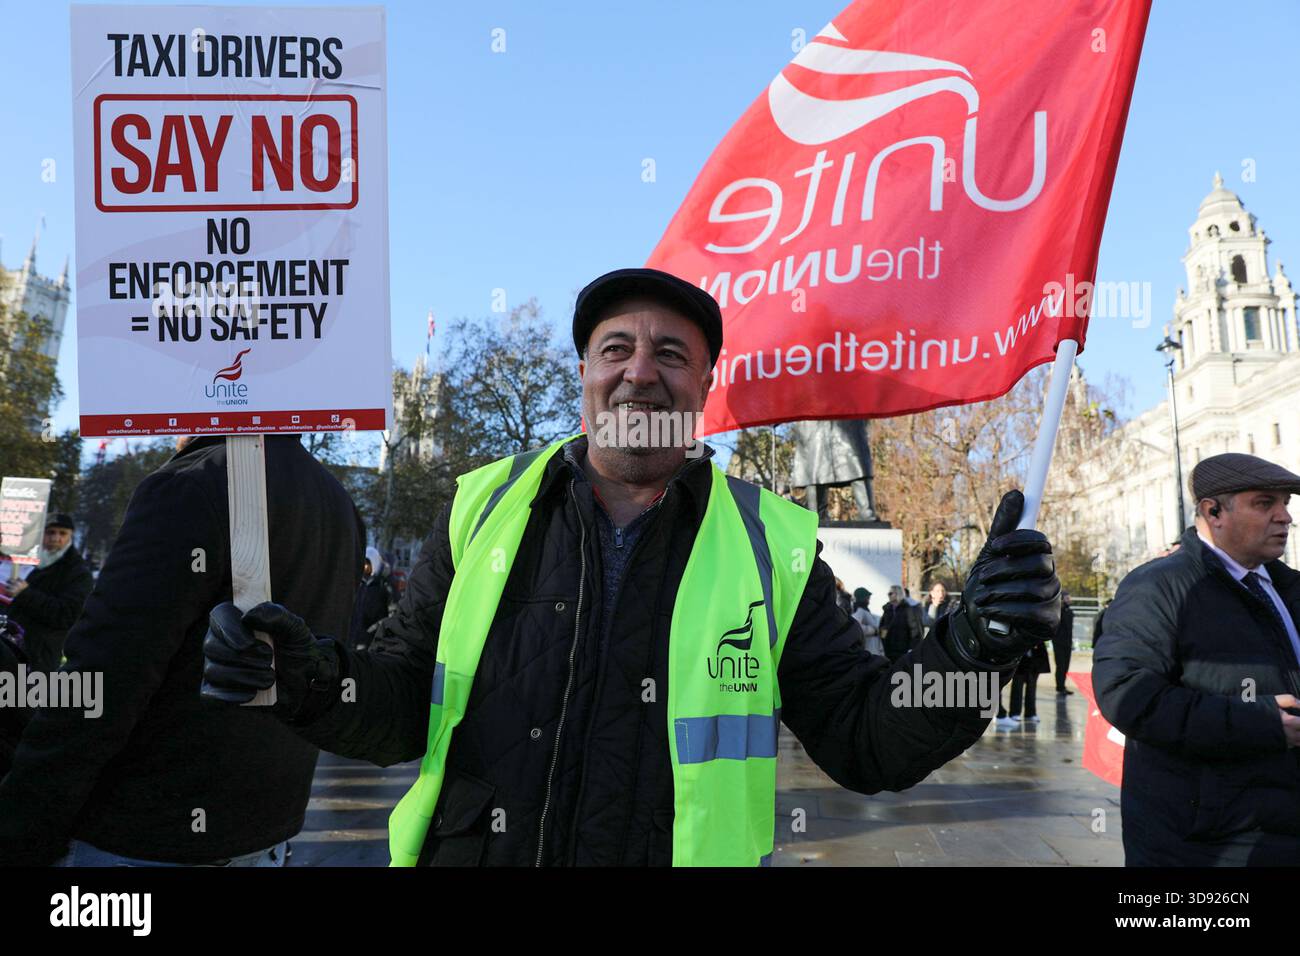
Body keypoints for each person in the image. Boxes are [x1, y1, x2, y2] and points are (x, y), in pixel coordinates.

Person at [202, 267, 1061, 867]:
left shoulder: (775, 546)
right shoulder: (481, 509)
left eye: (671, 355)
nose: (638, 374)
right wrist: (307, 679)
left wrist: (971, 652)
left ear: (704, 387)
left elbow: (868, 742)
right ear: (584, 372)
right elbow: (395, 705)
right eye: (616, 350)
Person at [0, 436, 363, 866]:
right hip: (264, 829)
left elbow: (107, 676)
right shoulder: (338, 502)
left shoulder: (190, 485)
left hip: (147, 831)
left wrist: (22, 827)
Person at [1094, 452, 1300, 865]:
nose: (1285, 517)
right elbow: (1127, 694)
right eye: (1265, 503)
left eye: (1286, 504)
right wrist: (1258, 721)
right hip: (1203, 842)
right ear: (1213, 511)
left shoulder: (1287, 586)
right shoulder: (1160, 586)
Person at [2, 514, 92, 674]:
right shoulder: (34, 563)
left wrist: (25, 593)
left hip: (40, 657)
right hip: (14, 649)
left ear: (70, 536)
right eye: (50, 532)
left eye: (62, 533)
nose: (56, 538)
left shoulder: (78, 572)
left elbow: (67, 615)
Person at [995, 640, 1049, 728]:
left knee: (1032, 687)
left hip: (1035, 657)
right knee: (1017, 686)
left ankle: (1030, 713)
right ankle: (1015, 712)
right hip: (1020, 658)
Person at [350, 546, 393, 650]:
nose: (364, 567)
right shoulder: (359, 585)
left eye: (367, 564)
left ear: (374, 563)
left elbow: (392, 614)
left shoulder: (384, 586)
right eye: (363, 564)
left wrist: (376, 628)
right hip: (355, 638)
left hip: (373, 639)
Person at [881, 584, 924, 662]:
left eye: (891, 593)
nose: (888, 595)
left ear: (898, 594)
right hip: (888, 650)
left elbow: (915, 630)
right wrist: (883, 641)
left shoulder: (908, 609)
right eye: (888, 593)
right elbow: (883, 626)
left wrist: (912, 648)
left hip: (903, 650)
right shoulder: (887, 610)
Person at [851, 587, 883, 657]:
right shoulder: (859, 611)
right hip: (868, 649)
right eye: (867, 598)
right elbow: (856, 627)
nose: (869, 600)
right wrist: (873, 631)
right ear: (862, 598)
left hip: (870, 648)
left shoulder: (863, 609)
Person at [1054, 591, 1074, 695]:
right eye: (1067, 598)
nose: (1069, 600)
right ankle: (1060, 686)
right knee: (1060, 665)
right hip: (1059, 643)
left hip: (1067, 642)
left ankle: (1063, 685)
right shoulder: (1058, 612)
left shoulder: (1069, 611)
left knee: (1065, 666)